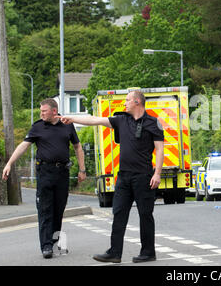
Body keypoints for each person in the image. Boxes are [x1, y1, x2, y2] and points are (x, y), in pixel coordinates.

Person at [61, 90, 164, 263]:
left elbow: (160, 149)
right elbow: (96, 120)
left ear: (137, 102)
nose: (124, 103)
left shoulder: (154, 123)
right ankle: (114, 253)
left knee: (145, 214)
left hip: (143, 176)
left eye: (127, 100)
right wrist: (72, 119)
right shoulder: (121, 120)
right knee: (118, 213)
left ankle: (148, 252)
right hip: (123, 177)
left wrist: (158, 173)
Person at [2, 98, 86, 259]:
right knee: (45, 209)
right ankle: (46, 246)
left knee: (58, 209)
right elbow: (24, 145)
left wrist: (82, 169)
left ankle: (53, 240)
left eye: (44, 111)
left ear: (54, 111)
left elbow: (78, 147)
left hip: (62, 173)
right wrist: (9, 163)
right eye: (41, 111)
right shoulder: (38, 126)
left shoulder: (67, 124)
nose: (41, 114)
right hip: (45, 172)